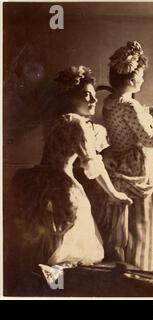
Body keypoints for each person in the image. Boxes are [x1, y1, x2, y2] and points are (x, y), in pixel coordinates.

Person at [10, 66, 132, 292]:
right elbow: (92, 165)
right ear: (69, 97)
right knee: (65, 250)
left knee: (52, 247)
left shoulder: (60, 120)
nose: (94, 99)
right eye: (86, 94)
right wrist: (115, 194)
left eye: (94, 94)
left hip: (42, 183)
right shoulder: (77, 124)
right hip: (63, 189)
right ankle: (57, 291)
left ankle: (52, 291)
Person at [101, 41, 153, 272]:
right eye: (141, 75)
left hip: (120, 162)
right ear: (131, 79)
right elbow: (150, 140)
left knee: (126, 217)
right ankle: (140, 268)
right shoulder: (129, 104)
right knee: (141, 217)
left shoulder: (109, 103)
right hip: (137, 164)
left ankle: (125, 266)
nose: (143, 80)